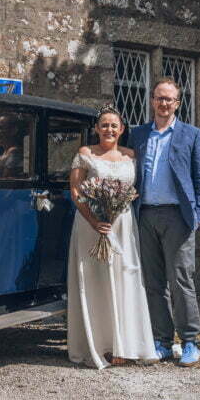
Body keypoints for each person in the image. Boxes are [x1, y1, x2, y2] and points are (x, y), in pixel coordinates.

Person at [66, 104, 156, 369]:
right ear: (96, 129)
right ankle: (98, 345)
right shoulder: (85, 154)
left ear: (122, 130)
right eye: (104, 125)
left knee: (125, 277)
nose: (109, 129)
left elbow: (134, 191)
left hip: (122, 224)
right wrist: (94, 221)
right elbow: (75, 191)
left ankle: (124, 345)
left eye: (114, 125)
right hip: (90, 224)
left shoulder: (131, 156)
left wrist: (115, 211)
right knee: (95, 281)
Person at [129, 78, 200, 367]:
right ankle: (162, 341)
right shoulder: (137, 134)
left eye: (169, 99)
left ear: (177, 103)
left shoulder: (192, 134)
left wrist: (199, 215)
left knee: (180, 281)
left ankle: (190, 341)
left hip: (178, 217)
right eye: (159, 98)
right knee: (153, 283)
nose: (164, 103)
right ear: (152, 101)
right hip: (145, 215)